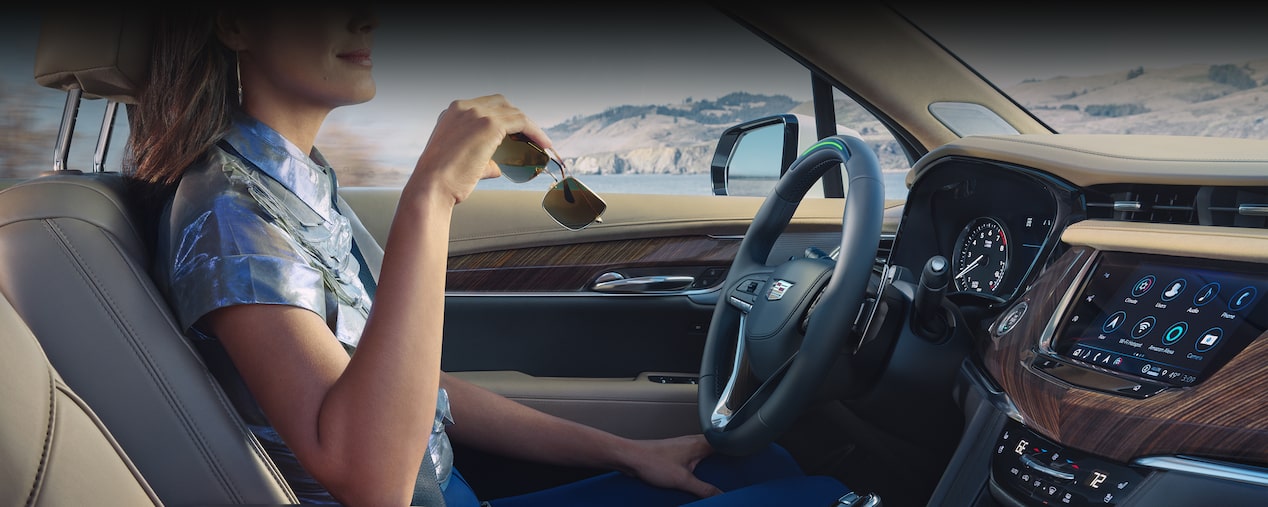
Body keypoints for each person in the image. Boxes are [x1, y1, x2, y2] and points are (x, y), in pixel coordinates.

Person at [128, 5, 851, 506]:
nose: (367, 15)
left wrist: (627, 449)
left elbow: (419, 393)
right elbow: (371, 478)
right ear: (233, 21)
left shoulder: (295, 182)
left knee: (758, 464)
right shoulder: (227, 211)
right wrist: (431, 194)